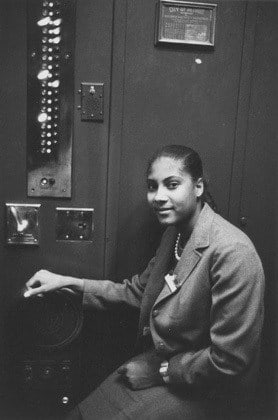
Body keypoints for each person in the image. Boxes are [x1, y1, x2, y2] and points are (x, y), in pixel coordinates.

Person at [24, 145, 265, 419]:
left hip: (208, 391)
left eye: (172, 185)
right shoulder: (173, 235)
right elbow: (139, 292)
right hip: (161, 366)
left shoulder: (233, 252)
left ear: (198, 187)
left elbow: (230, 361)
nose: (159, 197)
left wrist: (160, 372)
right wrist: (67, 282)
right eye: (153, 186)